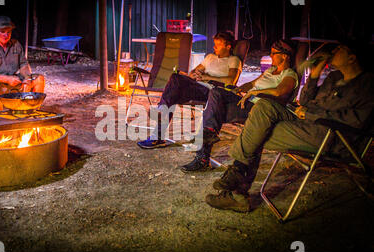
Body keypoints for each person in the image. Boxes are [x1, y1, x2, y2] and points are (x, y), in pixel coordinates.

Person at [205, 38, 374, 212]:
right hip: (305, 124)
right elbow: (307, 100)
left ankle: (238, 188)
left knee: (257, 131)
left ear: (352, 58)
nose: (334, 51)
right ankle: (238, 179)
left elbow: (355, 121)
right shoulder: (334, 77)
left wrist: (310, 113)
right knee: (263, 107)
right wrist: (315, 73)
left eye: (341, 48)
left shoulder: (367, 85)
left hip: (330, 136)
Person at [180, 39, 298, 172]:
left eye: (273, 53)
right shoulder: (271, 70)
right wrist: (239, 89)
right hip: (246, 102)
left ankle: (202, 157)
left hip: (260, 110)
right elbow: (252, 84)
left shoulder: (289, 74)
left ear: (284, 56)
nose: (270, 56)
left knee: (213, 113)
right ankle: (208, 134)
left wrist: (256, 92)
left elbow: (280, 91)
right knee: (216, 92)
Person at [137, 31, 242, 148]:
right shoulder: (210, 57)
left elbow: (231, 80)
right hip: (197, 87)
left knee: (173, 87)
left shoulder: (234, 60)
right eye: (214, 44)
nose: (214, 47)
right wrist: (194, 75)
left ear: (228, 46)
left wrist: (207, 77)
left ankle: (161, 114)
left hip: (212, 92)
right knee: (174, 85)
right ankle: (157, 136)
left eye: (218, 45)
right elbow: (193, 72)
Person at [0, 16, 44, 111]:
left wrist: (27, 78)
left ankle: (32, 112)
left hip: (12, 79)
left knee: (39, 79)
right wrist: (6, 79)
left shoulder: (15, 44)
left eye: (9, 32)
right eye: (2, 32)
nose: (6, 35)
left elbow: (23, 65)